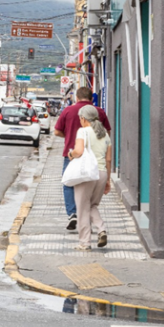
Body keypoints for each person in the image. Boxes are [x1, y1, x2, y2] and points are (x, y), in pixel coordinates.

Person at [55, 87, 111, 231]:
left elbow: (57, 131)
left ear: (77, 98)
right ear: (91, 99)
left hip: (72, 154)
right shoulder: (99, 111)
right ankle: (93, 223)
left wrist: (68, 137)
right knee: (89, 193)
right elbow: (107, 133)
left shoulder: (68, 110)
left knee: (68, 183)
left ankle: (73, 214)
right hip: (95, 158)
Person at [67, 105, 112, 250]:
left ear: (83, 118)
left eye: (80, 118)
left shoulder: (83, 131)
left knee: (82, 208)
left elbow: (79, 151)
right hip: (102, 173)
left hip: (87, 174)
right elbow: (109, 159)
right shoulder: (105, 133)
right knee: (92, 205)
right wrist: (108, 180)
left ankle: (84, 243)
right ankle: (101, 229)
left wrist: (70, 154)